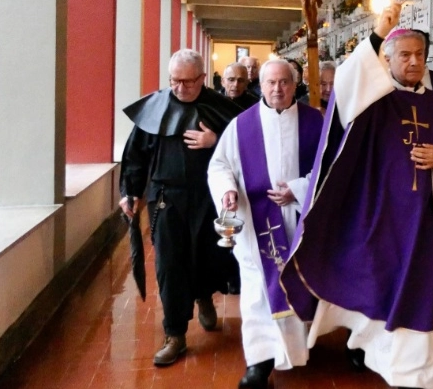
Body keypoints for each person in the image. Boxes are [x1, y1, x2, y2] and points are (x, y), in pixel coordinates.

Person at [282, 3, 433, 389]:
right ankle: (369, 346)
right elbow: (348, 83)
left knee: (418, 290)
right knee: (377, 281)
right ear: (387, 58)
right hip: (379, 211)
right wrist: (380, 30)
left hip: (423, 217)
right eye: (405, 55)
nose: (414, 62)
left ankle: (414, 373)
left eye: (420, 55)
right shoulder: (375, 94)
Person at [119, 49, 242, 367]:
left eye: (188, 82)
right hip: (166, 199)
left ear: (203, 78)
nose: (181, 88)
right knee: (169, 265)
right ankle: (174, 334)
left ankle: (203, 296)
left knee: (207, 256)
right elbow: (135, 156)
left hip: (208, 198)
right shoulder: (155, 108)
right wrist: (130, 192)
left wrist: (216, 141)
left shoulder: (221, 109)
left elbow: (245, 147)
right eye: (174, 81)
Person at [208, 60, 324, 389]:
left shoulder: (315, 123)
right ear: (261, 84)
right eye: (271, 83)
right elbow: (219, 166)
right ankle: (259, 362)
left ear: (295, 84)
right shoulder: (242, 126)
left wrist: (298, 190)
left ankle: (297, 350)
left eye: (284, 82)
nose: (277, 89)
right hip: (257, 224)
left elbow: (333, 167)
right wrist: (228, 190)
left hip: (302, 220)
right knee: (258, 293)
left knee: (298, 284)